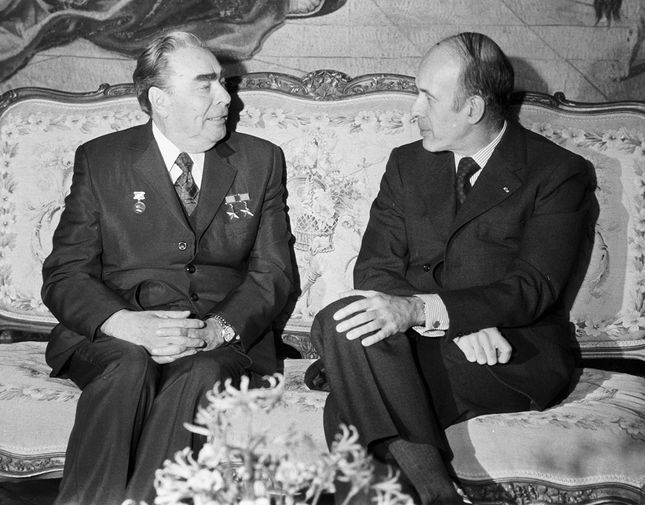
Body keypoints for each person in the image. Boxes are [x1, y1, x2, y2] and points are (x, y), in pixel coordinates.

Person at [310, 32, 596, 505]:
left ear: (473, 109)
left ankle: (431, 491)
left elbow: (532, 288)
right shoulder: (407, 164)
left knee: (348, 398)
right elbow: (376, 267)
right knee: (338, 321)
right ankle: (439, 494)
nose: (413, 110)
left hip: (509, 355)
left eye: (428, 97)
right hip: (422, 345)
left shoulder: (557, 173)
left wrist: (428, 312)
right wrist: (452, 324)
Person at [41, 31, 294, 505]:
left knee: (198, 374)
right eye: (205, 85)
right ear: (159, 100)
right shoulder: (102, 160)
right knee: (127, 366)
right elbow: (65, 273)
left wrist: (218, 329)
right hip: (116, 331)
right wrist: (124, 324)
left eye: (223, 82)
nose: (226, 97)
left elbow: (273, 273)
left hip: (216, 337)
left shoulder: (260, 161)